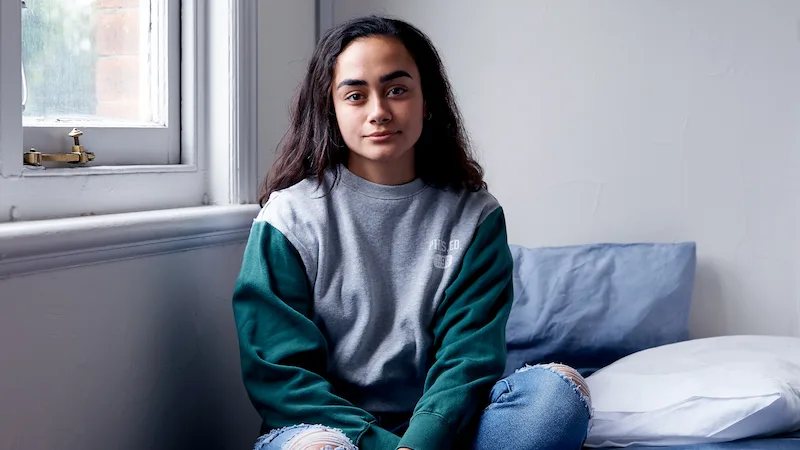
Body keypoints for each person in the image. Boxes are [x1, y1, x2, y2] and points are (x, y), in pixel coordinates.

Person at [232, 15, 592, 450]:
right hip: (329, 432)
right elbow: (281, 373)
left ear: (428, 102)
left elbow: (468, 359)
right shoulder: (288, 218)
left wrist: (418, 443)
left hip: (445, 429)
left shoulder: (475, 216)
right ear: (330, 108)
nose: (379, 112)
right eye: (355, 95)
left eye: (397, 90)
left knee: (559, 390)